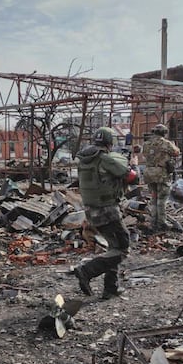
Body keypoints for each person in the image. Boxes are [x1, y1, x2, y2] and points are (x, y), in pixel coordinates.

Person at [74, 127, 137, 300]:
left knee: (113, 247)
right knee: (123, 248)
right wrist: (131, 165)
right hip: (107, 210)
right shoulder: (105, 159)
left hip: (91, 211)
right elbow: (132, 177)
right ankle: (86, 271)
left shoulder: (84, 160)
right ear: (110, 143)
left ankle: (110, 288)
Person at [142, 124, 180, 231]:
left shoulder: (146, 143)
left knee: (153, 198)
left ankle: (153, 222)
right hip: (161, 174)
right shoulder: (166, 143)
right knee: (162, 199)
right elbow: (176, 152)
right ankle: (161, 223)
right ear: (164, 133)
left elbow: (144, 154)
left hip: (149, 173)